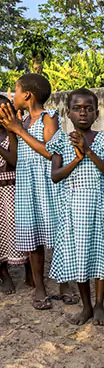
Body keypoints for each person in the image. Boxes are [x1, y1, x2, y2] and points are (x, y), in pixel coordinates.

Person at [0, 74, 76, 310]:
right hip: (26, 185)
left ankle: (65, 282)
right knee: (33, 236)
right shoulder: (19, 123)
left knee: (59, 232)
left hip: (48, 183)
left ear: (28, 95)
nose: (13, 96)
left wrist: (18, 131)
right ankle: (40, 287)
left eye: (16, 90)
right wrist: (12, 130)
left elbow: (52, 152)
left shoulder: (49, 117)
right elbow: (14, 158)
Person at [48, 88, 104, 325]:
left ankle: (100, 305)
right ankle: (86, 306)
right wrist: (76, 157)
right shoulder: (60, 140)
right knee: (80, 256)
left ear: (96, 113)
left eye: (88, 109)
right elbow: (55, 175)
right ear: (68, 112)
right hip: (73, 207)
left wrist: (87, 150)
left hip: (100, 205)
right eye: (77, 108)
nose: (83, 113)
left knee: (101, 254)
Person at [0, 95, 30, 294]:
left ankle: (30, 271)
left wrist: (11, 130)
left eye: (6, 109)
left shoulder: (16, 132)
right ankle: (5, 274)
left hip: (15, 189)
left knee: (22, 230)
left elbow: (14, 159)